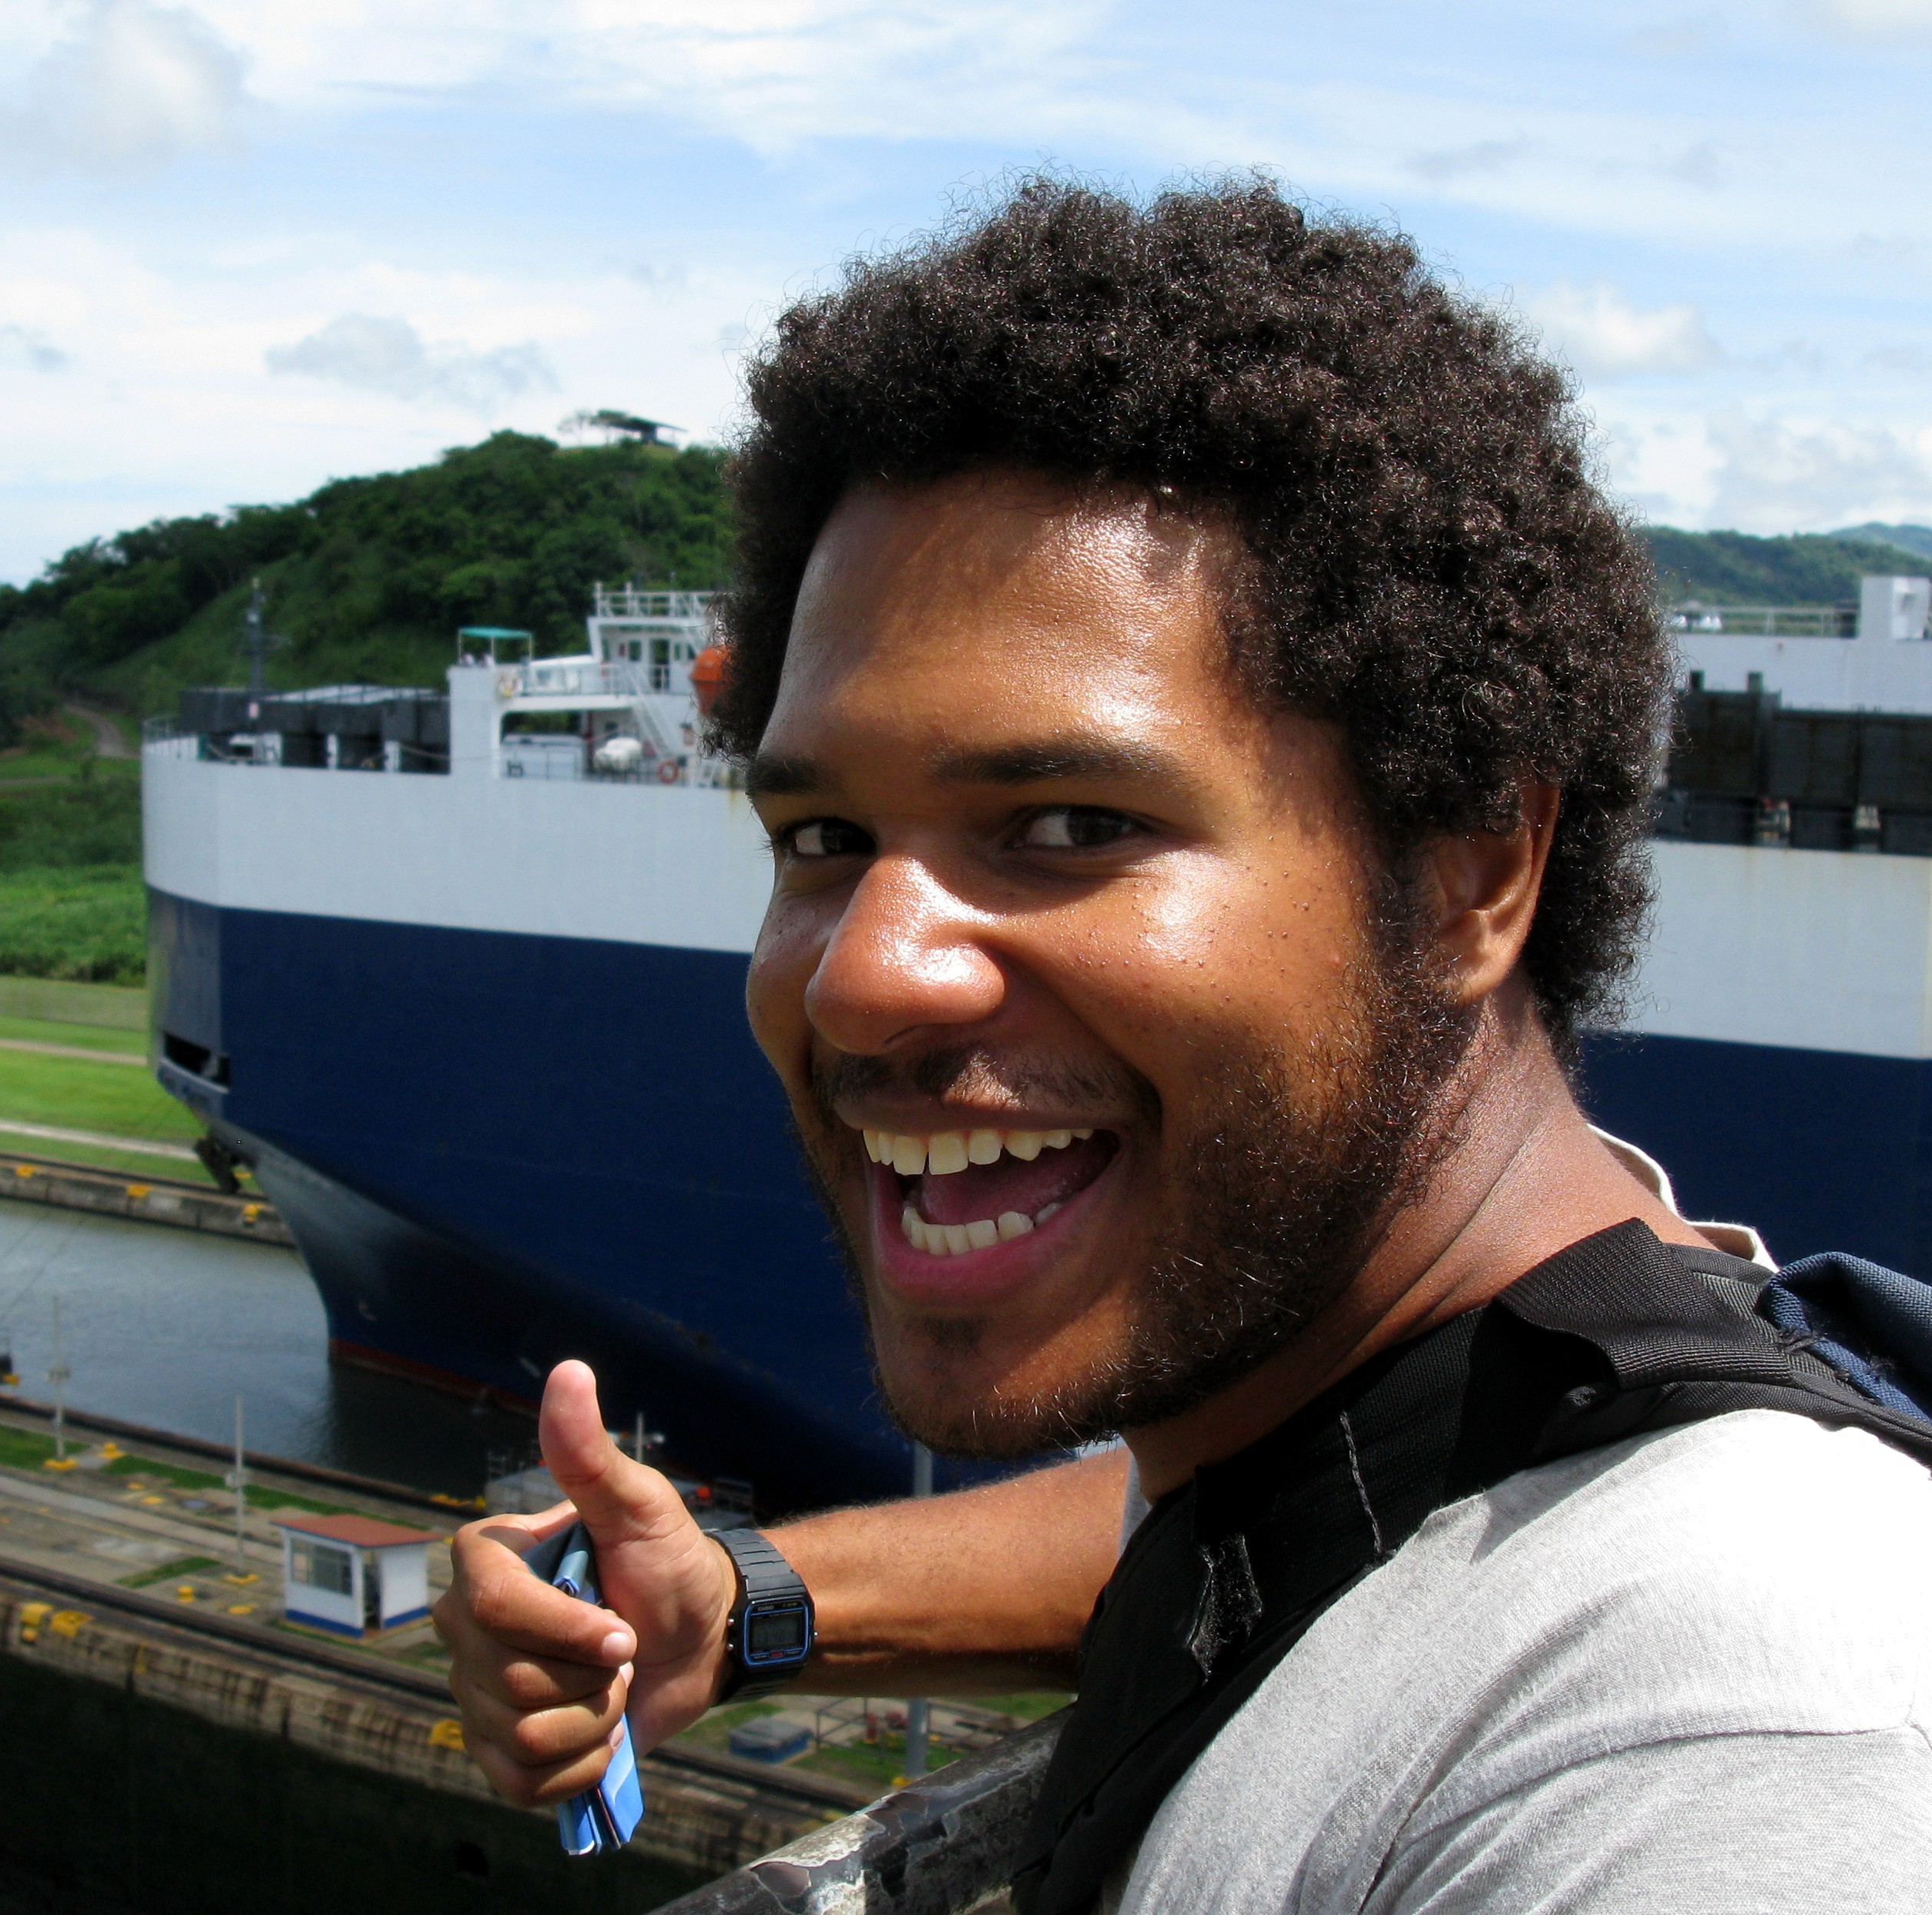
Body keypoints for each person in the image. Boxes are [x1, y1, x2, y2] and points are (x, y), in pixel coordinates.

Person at [434, 176, 1932, 1912]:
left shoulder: (1727, 1758)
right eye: (822, 837)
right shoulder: (1463, 1400)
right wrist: (753, 1598)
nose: (864, 979)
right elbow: (1251, 1521)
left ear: (1474, 871)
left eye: (1070, 822)